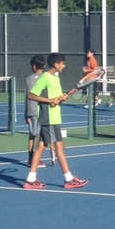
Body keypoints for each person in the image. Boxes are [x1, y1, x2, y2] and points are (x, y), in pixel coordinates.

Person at [22, 53, 88, 190]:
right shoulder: (45, 77)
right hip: (48, 118)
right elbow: (31, 95)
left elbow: (55, 98)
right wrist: (50, 100)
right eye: (62, 63)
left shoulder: (55, 79)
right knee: (59, 146)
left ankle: (30, 179)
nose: (64, 65)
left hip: (54, 117)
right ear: (56, 64)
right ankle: (68, 179)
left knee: (41, 146)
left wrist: (60, 98)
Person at [24, 55, 54, 167]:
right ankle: (35, 160)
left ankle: (31, 158)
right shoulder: (46, 78)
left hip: (31, 111)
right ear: (45, 65)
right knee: (39, 136)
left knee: (32, 135)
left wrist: (26, 113)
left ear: (33, 66)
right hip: (42, 111)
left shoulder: (28, 79)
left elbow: (26, 97)